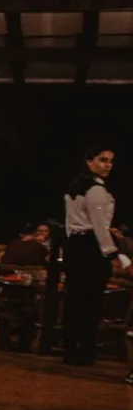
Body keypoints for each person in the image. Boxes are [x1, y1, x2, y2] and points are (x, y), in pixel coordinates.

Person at [61, 145, 130, 365]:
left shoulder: (74, 187)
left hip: (75, 245)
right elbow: (100, 227)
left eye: (110, 161)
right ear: (89, 162)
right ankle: (85, 351)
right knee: (91, 301)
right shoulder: (96, 190)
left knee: (74, 298)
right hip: (91, 247)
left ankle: (69, 347)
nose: (108, 165)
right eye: (102, 160)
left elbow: (69, 223)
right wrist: (114, 254)